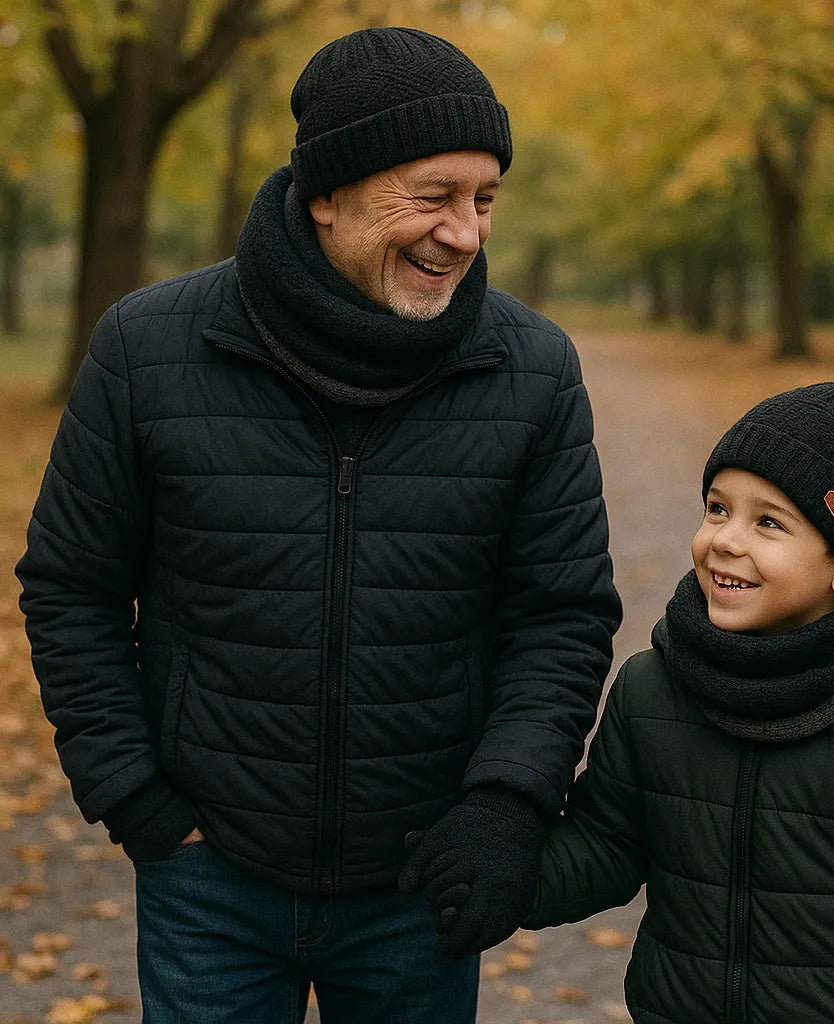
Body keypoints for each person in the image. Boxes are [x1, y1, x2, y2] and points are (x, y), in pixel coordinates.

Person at [15, 26, 621, 1024]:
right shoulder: (145, 347)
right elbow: (72, 586)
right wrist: (135, 795)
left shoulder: (534, 368)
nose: (465, 233)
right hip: (206, 878)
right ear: (326, 195)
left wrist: (505, 802)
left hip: (418, 883)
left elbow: (561, 611)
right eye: (431, 197)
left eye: (482, 200)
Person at [457, 383, 834, 1022]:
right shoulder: (652, 689)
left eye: (768, 522)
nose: (724, 539)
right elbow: (608, 846)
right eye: (717, 509)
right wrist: (503, 876)